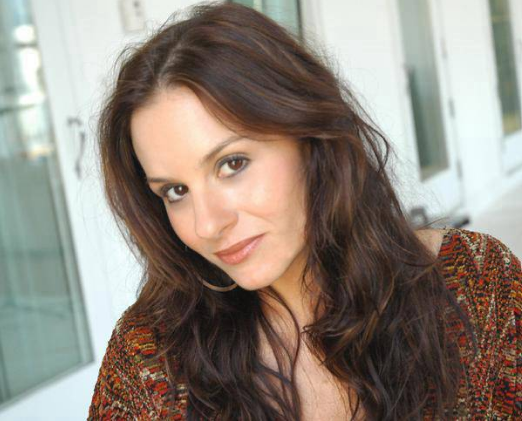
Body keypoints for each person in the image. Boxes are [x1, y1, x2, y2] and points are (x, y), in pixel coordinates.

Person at [87, 2, 521, 420]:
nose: (208, 224)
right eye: (176, 191)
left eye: (232, 164)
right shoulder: (147, 362)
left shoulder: (479, 288)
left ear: (310, 138)